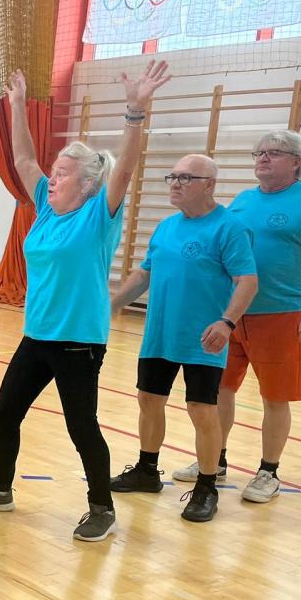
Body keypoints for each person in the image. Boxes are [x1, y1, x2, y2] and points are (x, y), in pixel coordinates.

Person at [0, 61, 171, 542]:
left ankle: (101, 508)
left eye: (63, 174)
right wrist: (16, 105)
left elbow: (126, 168)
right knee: (4, 412)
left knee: (81, 427)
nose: (52, 179)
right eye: (53, 173)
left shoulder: (99, 214)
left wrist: (135, 111)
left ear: (88, 184)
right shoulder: (46, 209)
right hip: (37, 336)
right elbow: (23, 159)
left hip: (78, 342)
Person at [171, 131, 301, 504]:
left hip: (281, 313)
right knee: (219, 390)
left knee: (275, 396)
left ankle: (268, 472)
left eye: (274, 153)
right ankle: (215, 460)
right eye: (259, 152)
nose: (263, 158)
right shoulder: (244, 200)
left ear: (296, 162)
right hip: (231, 313)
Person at [109, 155, 258, 522]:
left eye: (186, 178)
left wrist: (227, 323)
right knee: (148, 399)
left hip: (204, 337)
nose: (175, 183)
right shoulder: (166, 227)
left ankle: (207, 486)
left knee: (201, 408)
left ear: (209, 185)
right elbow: (144, 275)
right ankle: (147, 470)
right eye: (172, 176)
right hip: (160, 333)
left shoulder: (229, 227)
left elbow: (247, 281)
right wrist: (109, 306)